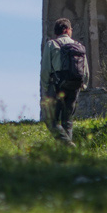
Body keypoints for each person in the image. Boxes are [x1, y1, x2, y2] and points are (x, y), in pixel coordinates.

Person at [40, 18, 89, 146]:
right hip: (74, 86)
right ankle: (68, 152)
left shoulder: (51, 44)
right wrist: (83, 84)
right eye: (71, 29)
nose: (71, 31)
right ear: (66, 30)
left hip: (57, 86)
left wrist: (45, 87)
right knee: (67, 121)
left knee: (51, 120)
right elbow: (85, 69)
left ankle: (68, 145)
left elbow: (45, 69)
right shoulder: (79, 46)